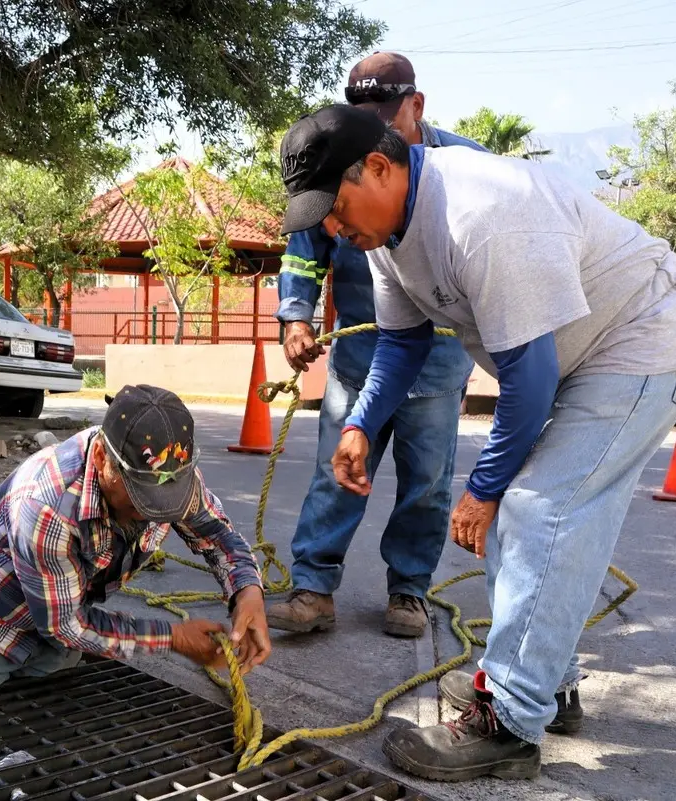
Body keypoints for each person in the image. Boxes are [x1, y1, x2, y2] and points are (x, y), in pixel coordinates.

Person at [278, 104, 676, 781]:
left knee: (539, 510)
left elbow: (529, 380)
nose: (332, 229)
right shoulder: (388, 237)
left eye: (334, 207)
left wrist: (481, 492)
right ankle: (546, 685)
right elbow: (401, 343)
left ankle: (508, 721)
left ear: (382, 168)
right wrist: (360, 423)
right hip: (580, 354)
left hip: (642, 338)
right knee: (527, 512)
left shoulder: (481, 215)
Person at [268, 52, 483, 639]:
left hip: (438, 360)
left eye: (388, 116)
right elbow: (304, 249)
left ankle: (409, 592)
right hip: (364, 354)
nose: (377, 133)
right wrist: (294, 315)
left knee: (427, 483)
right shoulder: (337, 155)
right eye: (363, 116)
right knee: (338, 469)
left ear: (417, 105)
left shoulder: (465, 168)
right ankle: (312, 587)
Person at [0, 384, 271, 692]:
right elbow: (66, 626)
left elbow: (216, 533)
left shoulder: (169, 474)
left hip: (61, 614)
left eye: (164, 500)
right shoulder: (47, 505)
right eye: (143, 498)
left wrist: (248, 593)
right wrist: (175, 638)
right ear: (101, 459)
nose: (156, 513)